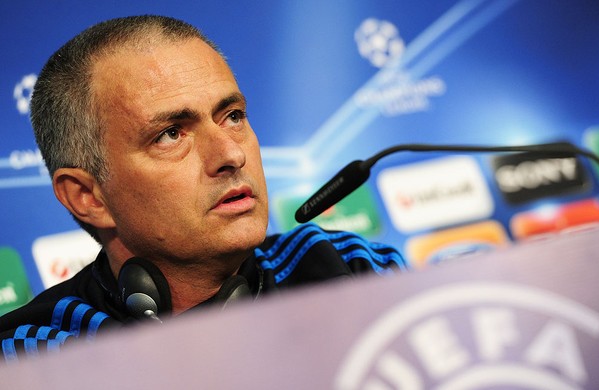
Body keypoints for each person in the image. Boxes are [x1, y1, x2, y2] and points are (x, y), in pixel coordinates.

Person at [0, 15, 406, 363]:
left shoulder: (347, 268)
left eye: (232, 116)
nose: (231, 154)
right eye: (171, 134)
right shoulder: (37, 355)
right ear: (87, 197)